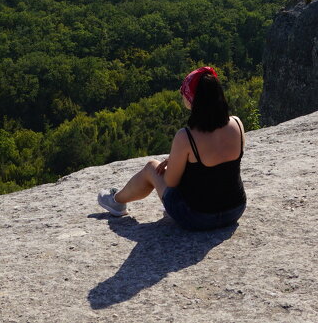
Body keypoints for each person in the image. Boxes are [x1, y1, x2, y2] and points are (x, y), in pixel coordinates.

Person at [97, 66, 246, 231]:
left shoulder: (186, 137)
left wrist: (175, 163)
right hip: (234, 210)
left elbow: (170, 182)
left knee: (151, 167)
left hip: (197, 217)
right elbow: (218, 161)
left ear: (191, 100)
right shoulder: (237, 124)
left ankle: (116, 202)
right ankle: (117, 201)